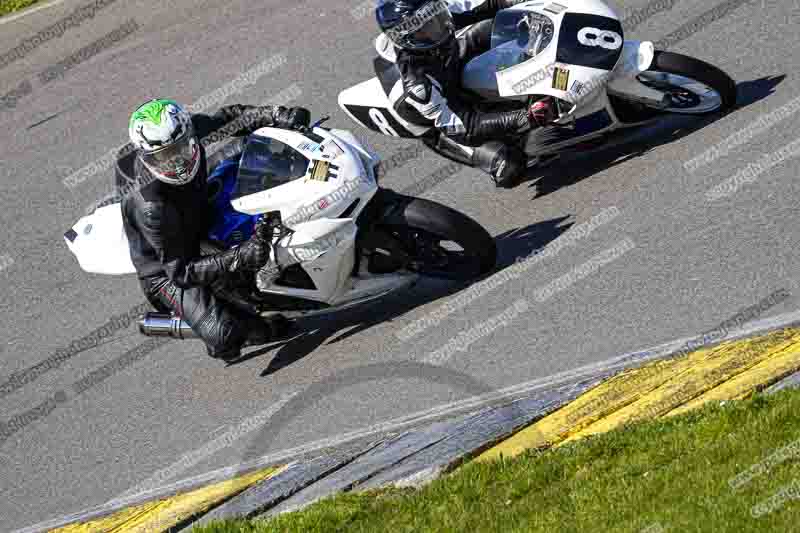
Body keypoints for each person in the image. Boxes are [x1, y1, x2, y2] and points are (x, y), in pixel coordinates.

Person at [118, 98, 311, 361]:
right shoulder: (152, 208)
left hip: (196, 211)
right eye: (164, 157)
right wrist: (239, 255)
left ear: (187, 133)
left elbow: (230, 118)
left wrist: (276, 115)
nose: (176, 163)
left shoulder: (183, 129)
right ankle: (245, 325)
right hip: (168, 269)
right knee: (224, 336)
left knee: (251, 148)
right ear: (147, 156)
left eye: (181, 149)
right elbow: (181, 272)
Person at [375, 0, 557, 186]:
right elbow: (465, 127)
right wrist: (523, 117)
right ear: (409, 38)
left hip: (448, 60)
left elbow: (491, 3)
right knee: (509, 168)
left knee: (507, 24)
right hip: (443, 123)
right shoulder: (417, 84)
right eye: (426, 26)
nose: (438, 24)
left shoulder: (431, 14)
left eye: (436, 15)